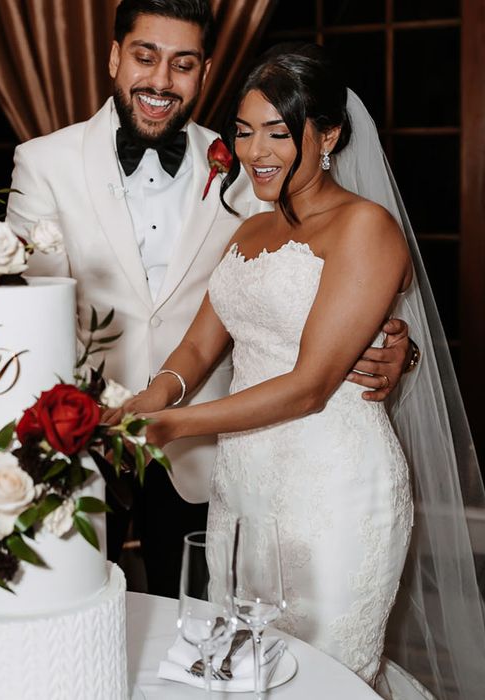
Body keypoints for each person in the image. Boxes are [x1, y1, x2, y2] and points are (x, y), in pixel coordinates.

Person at [113, 43, 485, 697]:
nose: (257, 151)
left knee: (325, 675)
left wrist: (173, 425)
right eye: (245, 131)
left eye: (279, 134)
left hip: (333, 489)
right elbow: (200, 350)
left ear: (329, 134)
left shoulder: (365, 228)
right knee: (247, 671)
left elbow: (312, 384)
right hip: (244, 485)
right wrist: (151, 398)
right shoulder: (249, 232)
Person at [6, 0, 411, 597]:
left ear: (205, 70)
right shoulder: (44, 162)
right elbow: (30, 316)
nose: (162, 81)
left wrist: (392, 341)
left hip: (217, 453)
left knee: (205, 640)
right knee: (80, 623)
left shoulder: (249, 171)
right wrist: (143, 408)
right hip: (92, 443)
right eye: (146, 57)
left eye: (184, 64)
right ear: (116, 56)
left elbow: (336, 284)